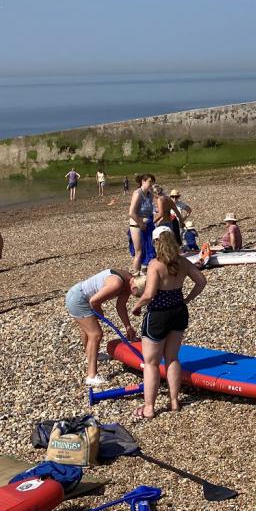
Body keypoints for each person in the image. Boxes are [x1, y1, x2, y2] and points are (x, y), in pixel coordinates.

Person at [130, 229, 206, 419]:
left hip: (158, 316)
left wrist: (136, 307)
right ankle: (174, 401)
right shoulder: (184, 262)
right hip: (179, 312)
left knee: (151, 363)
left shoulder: (155, 265)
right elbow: (201, 281)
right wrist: (187, 299)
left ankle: (149, 407)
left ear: (157, 243)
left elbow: (149, 294)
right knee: (172, 358)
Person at [65, 268, 144, 386]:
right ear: (133, 287)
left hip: (78, 293)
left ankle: (91, 355)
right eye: (135, 295)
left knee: (87, 328)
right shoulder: (117, 284)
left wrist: (128, 327)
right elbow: (94, 301)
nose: (133, 296)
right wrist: (99, 312)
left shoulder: (129, 279)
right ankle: (91, 376)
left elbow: (120, 307)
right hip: (78, 299)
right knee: (95, 334)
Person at [128, 174, 156, 273]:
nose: (151, 184)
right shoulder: (137, 193)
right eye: (149, 182)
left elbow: (152, 209)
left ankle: (147, 271)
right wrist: (141, 223)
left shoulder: (150, 194)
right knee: (138, 252)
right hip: (136, 225)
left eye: (152, 182)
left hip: (148, 225)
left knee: (149, 249)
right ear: (143, 182)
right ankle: (136, 275)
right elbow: (131, 213)